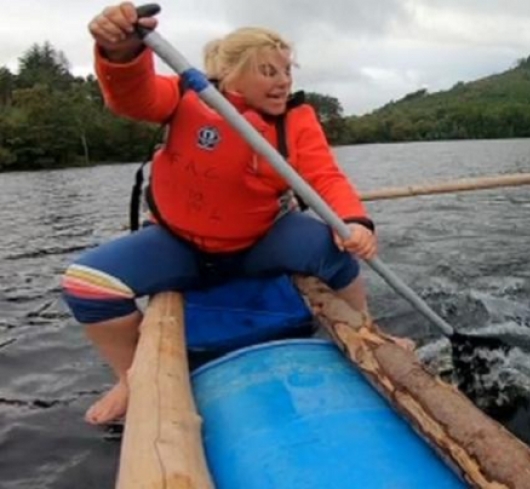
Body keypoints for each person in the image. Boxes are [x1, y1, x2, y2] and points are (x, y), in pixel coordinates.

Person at [62, 2, 381, 425]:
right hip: (179, 243)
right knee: (87, 285)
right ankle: (128, 376)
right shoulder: (185, 96)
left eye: (287, 71)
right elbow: (132, 97)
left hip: (261, 239)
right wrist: (121, 54)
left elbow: (325, 175)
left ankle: (367, 336)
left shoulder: (297, 119)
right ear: (231, 73)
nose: (283, 81)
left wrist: (354, 222)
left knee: (337, 251)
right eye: (269, 71)